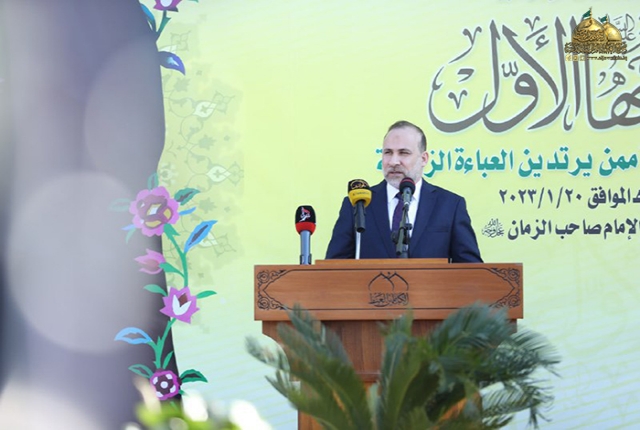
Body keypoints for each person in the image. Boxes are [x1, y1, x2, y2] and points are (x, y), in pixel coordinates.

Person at [326, 120, 482, 262]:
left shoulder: (450, 205)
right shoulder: (357, 203)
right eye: (388, 153)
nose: (393, 161)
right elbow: (334, 267)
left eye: (404, 153)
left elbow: (471, 269)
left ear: (424, 159)